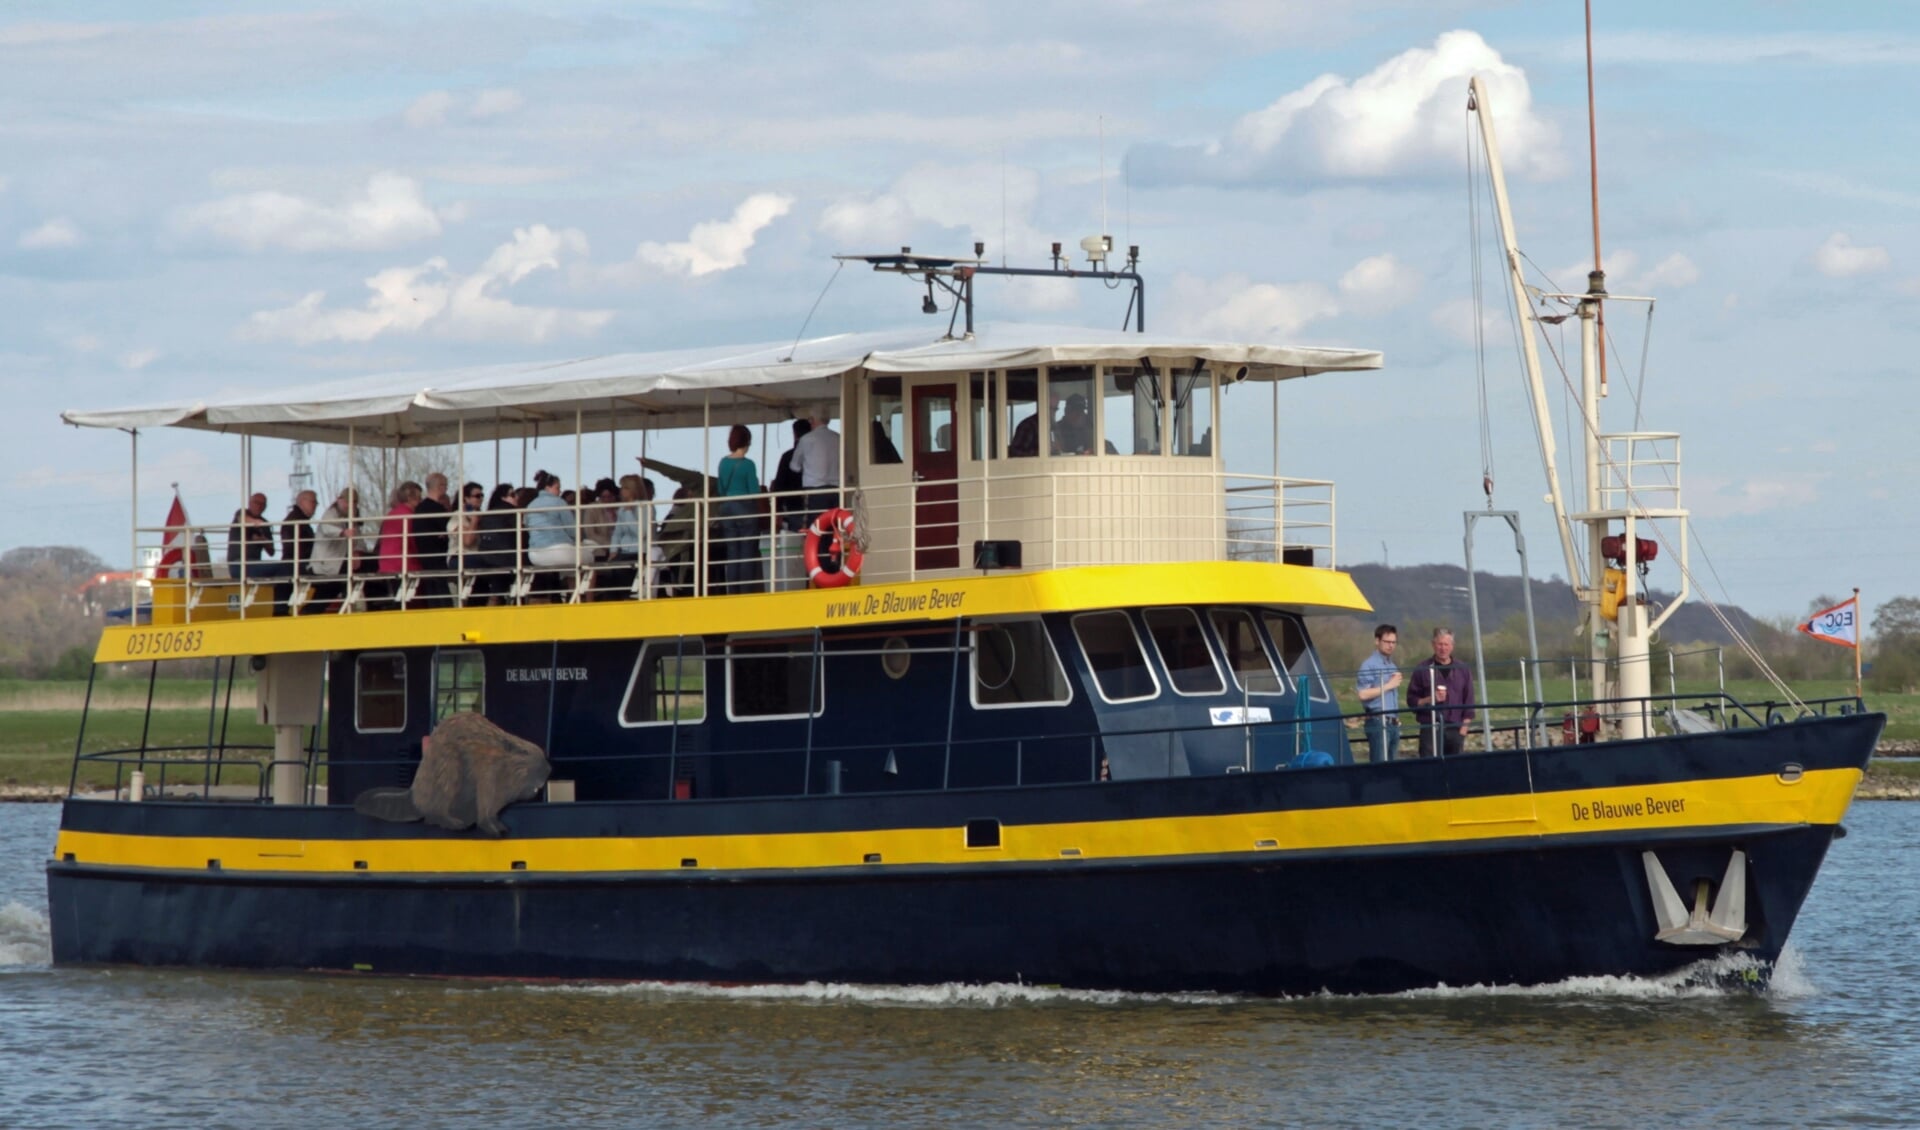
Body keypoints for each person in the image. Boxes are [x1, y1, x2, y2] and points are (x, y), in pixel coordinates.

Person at [1408, 627, 1475, 758]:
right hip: (1430, 728)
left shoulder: (1463, 670)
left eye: (1446, 644)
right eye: (1439, 644)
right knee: (1429, 769)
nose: (1443, 648)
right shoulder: (1422, 669)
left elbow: (1469, 702)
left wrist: (1463, 730)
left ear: (1452, 646)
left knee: (1456, 769)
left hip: (1455, 729)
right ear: (1433, 645)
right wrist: (1430, 699)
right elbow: (1411, 700)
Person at [715, 423, 764, 593]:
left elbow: (720, 489)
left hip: (727, 508)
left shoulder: (723, 463)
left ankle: (733, 590)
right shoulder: (748, 464)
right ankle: (745, 590)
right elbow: (754, 491)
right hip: (745, 509)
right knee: (747, 552)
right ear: (747, 442)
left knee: (733, 552)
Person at [525, 470, 591, 579]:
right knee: (590, 558)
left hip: (535, 554)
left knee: (570, 567)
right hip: (559, 550)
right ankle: (586, 595)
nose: (560, 491)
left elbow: (527, 526)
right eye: (557, 488)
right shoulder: (558, 502)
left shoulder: (531, 505)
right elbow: (572, 529)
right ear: (547, 488)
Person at [1354, 624, 1403, 763]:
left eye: (1393, 642)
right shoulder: (1369, 665)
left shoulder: (1392, 665)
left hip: (1393, 723)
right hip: (1377, 720)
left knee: (1392, 767)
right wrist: (1389, 685)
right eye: (1387, 642)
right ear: (1377, 641)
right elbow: (1362, 694)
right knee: (1380, 766)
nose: (1391, 645)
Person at [374, 481, 421, 608]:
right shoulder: (409, 516)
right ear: (411, 498)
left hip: (386, 564)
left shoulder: (391, 514)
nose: (420, 501)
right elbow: (413, 542)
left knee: (399, 599)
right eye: (419, 497)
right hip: (404, 565)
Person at [471, 483, 519, 604]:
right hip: (507, 557)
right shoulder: (514, 513)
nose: (516, 497)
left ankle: (493, 601)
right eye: (513, 494)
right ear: (503, 497)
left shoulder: (487, 514)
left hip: (487, 556)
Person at [272, 490, 318, 614]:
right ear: (302, 501)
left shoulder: (297, 520)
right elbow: (294, 547)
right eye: (313, 502)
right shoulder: (296, 521)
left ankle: (302, 612)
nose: (316, 505)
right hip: (296, 564)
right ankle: (308, 612)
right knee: (329, 584)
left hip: (292, 564)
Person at [411, 472, 453, 607]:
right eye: (445, 486)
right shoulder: (436, 509)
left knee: (432, 589)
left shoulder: (419, 508)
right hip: (438, 554)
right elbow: (449, 529)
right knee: (442, 589)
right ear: (440, 487)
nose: (446, 489)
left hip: (424, 554)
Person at [791, 412, 841, 518]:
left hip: (815, 490)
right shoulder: (838, 438)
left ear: (812, 420)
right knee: (835, 524)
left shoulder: (806, 439)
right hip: (836, 489)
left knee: (816, 526)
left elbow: (794, 466)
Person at [226, 493, 278, 580]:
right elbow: (243, 519)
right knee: (282, 568)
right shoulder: (242, 512)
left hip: (255, 563)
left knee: (284, 568)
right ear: (250, 503)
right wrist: (256, 522)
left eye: (263, 504)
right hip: (238, 563)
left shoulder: (265, 523)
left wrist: (263, 541)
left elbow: (271, 552)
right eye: (256, 502)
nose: (259, 506)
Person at [771, 418, 812, 531]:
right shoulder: (815, 455)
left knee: (795, 541)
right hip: (814, 503)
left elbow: (779, 485)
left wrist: (777, 510)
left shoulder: (787, 456)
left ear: (794, 434)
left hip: (793, 505)